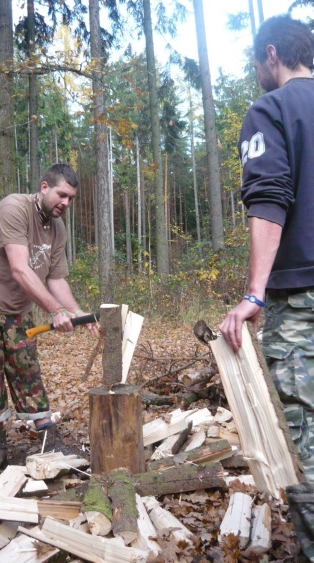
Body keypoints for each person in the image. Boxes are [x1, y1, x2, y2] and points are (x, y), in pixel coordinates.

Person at [219, 15, 314, 559]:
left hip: (300, 297)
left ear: (272, 54)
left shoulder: (270, 109)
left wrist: (255, 293)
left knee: (304, 432)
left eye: (257, 62)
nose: (258, 71)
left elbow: (269, 196)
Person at [0, 163, 98, 476]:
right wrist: (55, 311)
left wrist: (76, 312)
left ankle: (48, 436)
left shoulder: (57, 230)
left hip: (16, 303)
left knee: (25, 363)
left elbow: (56, 280)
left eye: (71, 198)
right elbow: (20, 269)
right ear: (44, 187)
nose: (66, 203)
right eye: (62, 194)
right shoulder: (14, 209)